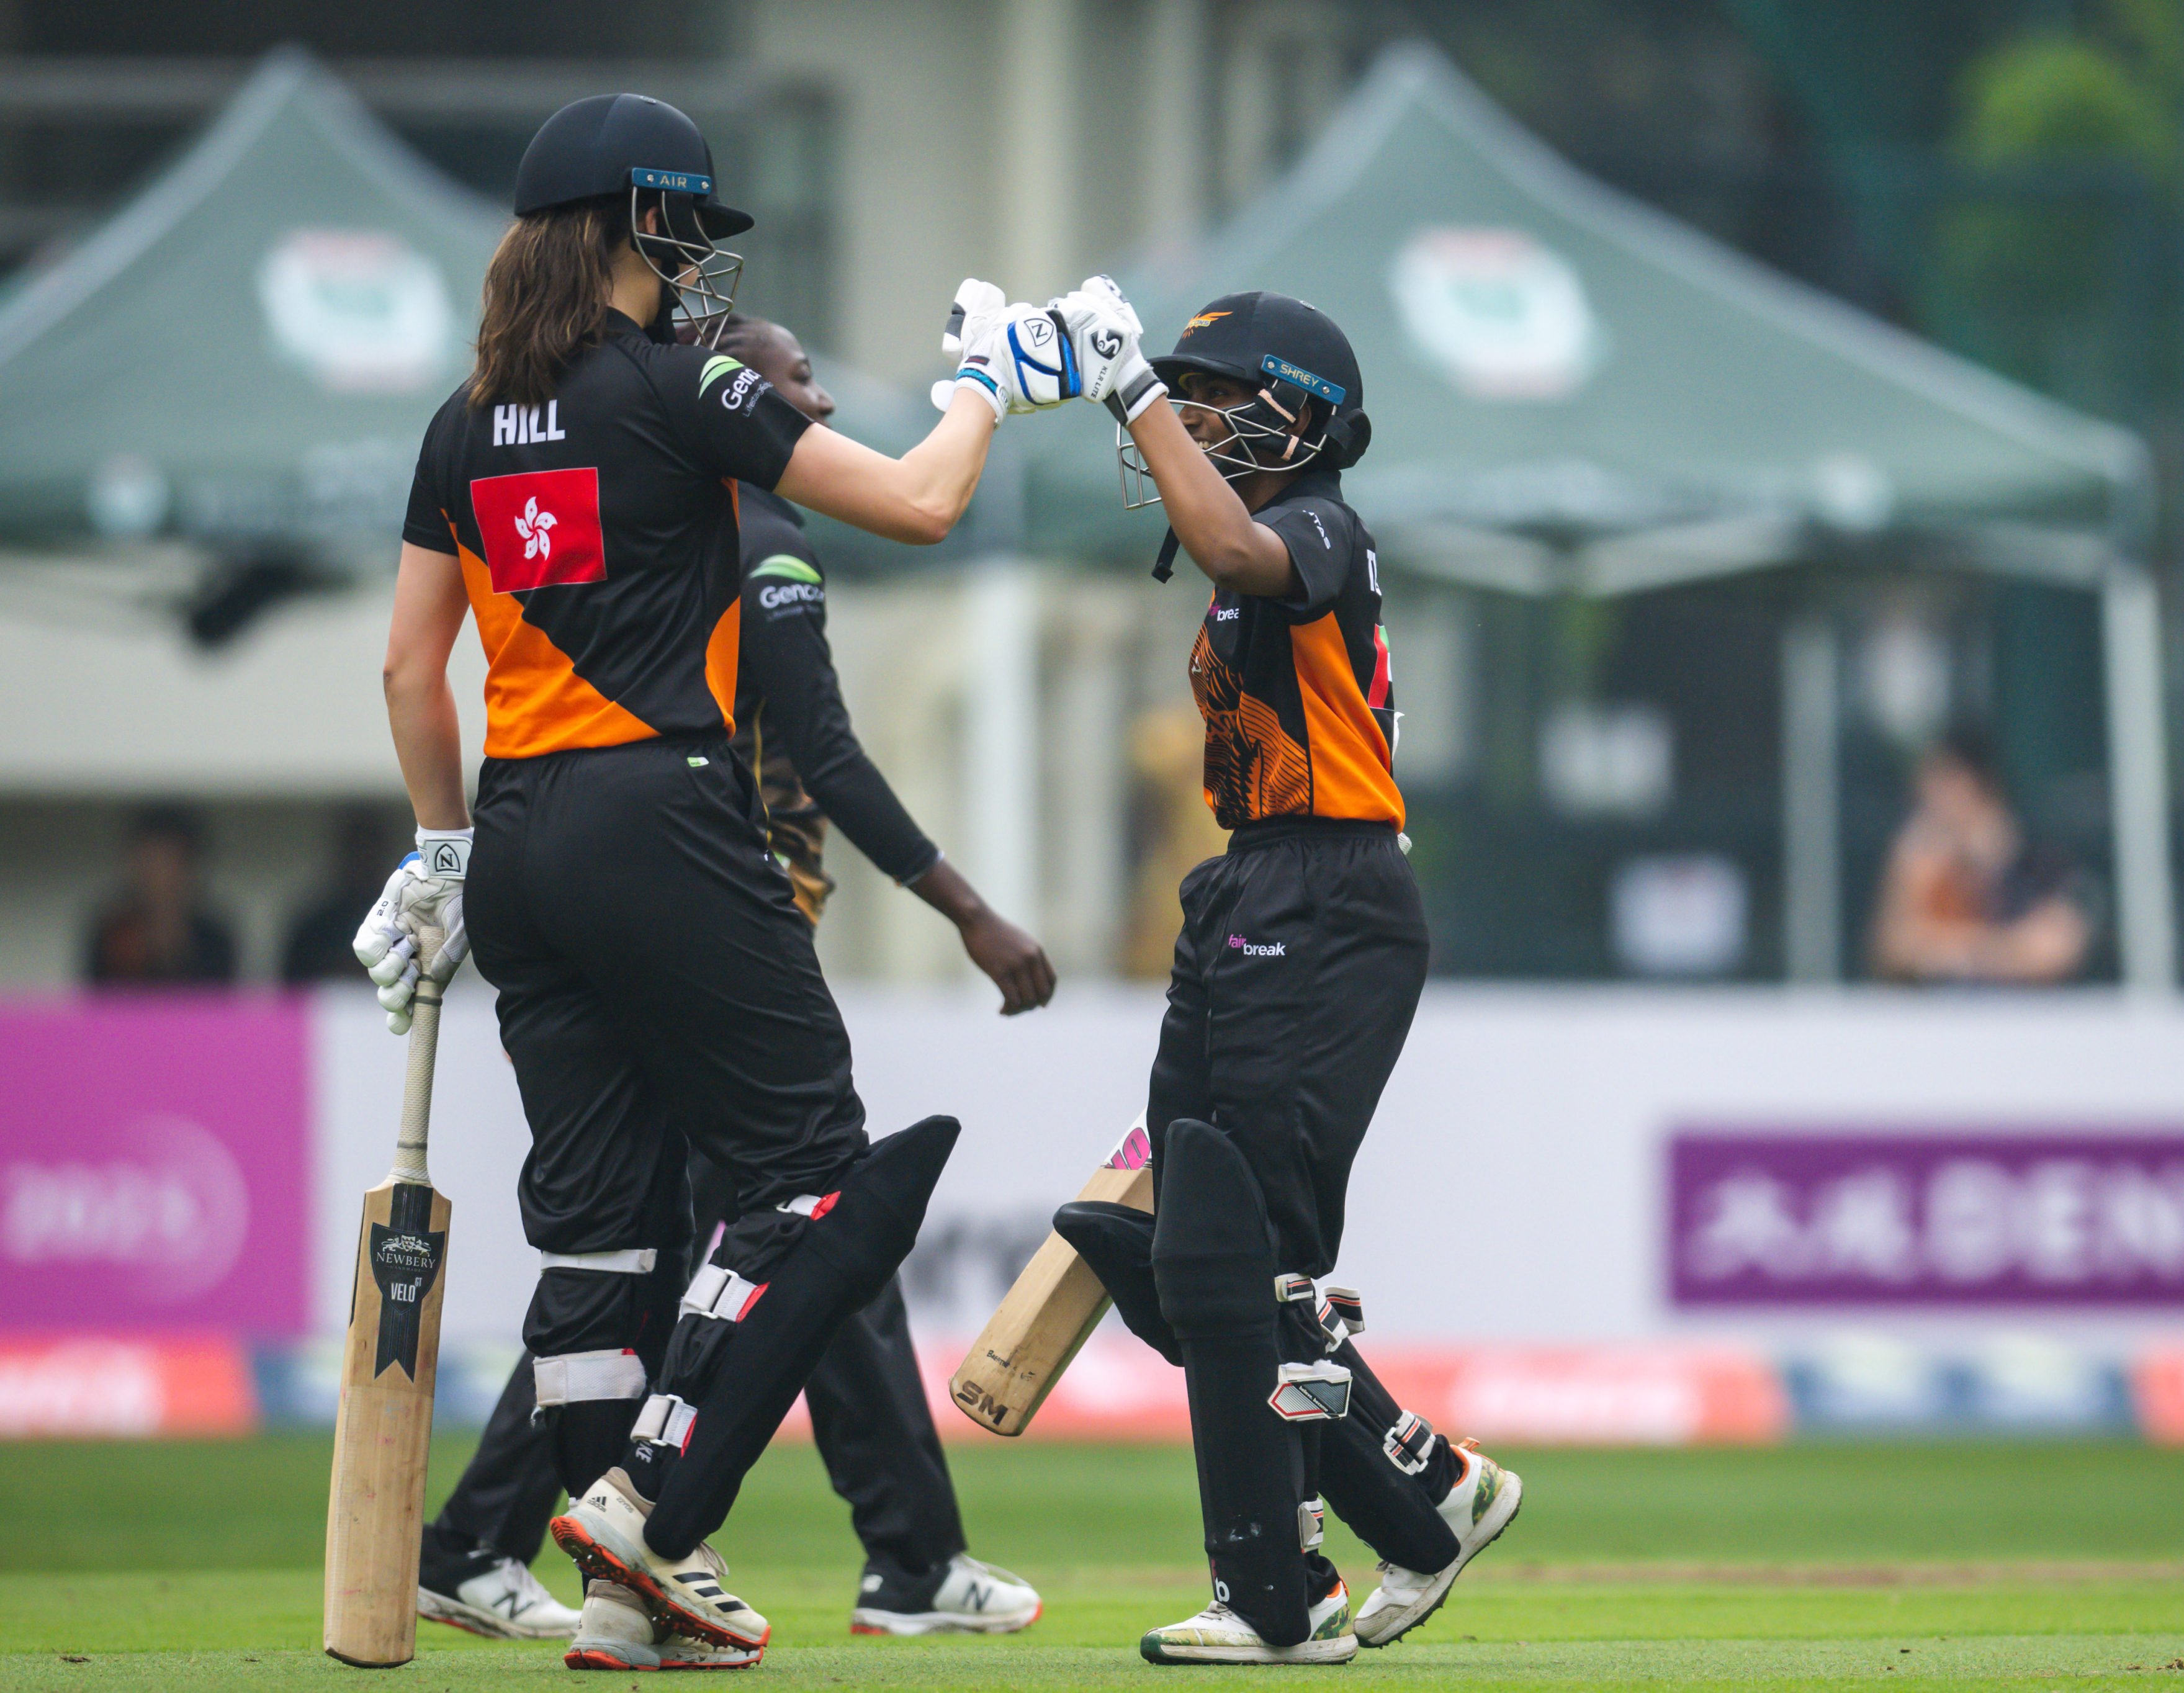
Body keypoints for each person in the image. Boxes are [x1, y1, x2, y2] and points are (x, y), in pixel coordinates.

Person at [361, 91, 1074, 1671]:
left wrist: (439, 844)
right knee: (815, 1173)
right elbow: (922, 500)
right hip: (659, 809)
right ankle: (653, 1503)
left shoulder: (464, 419)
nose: (699, 265)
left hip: (520, 840)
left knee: (601, 1238)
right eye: (685, 229)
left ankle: (627, 1591)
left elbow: (414, 671)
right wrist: (984, 390)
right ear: (631, 227)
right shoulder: (681, 390)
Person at [1022, 281, 1524, 1664]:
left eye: (1215, 393)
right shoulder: (1259, 530)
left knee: (1242, 1258)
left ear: (1300, 417)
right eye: (1176, 391)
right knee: (1203, 1253)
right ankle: (1411, 1493)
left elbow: (1235, 548)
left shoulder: (1314, 524)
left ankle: (1290, 1579)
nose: (1187, 411)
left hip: (1327, 888)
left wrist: (1126, 389)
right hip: (1253, 881)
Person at [1869, 727, 2091, 986]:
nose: (1929, 798)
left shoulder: (2035, 859)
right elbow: (1894, 950)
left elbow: (2054, 949)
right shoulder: (1924, 858)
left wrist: (1961, 951)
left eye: (1942, 783)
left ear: (1973, 785)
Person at [84, 804, 236, 985]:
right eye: (151, 862)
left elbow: (218, 1003)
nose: (160, 875)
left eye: (170, 861)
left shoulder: (215, 938)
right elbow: (99, 1004)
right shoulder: (111, 933)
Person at [282, 807, 402, 983]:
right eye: (357, 852)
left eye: (370, 852)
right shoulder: (314, 927)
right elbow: (292, 990)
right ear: (343, 855)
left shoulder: (406, 922)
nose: (364, 861)